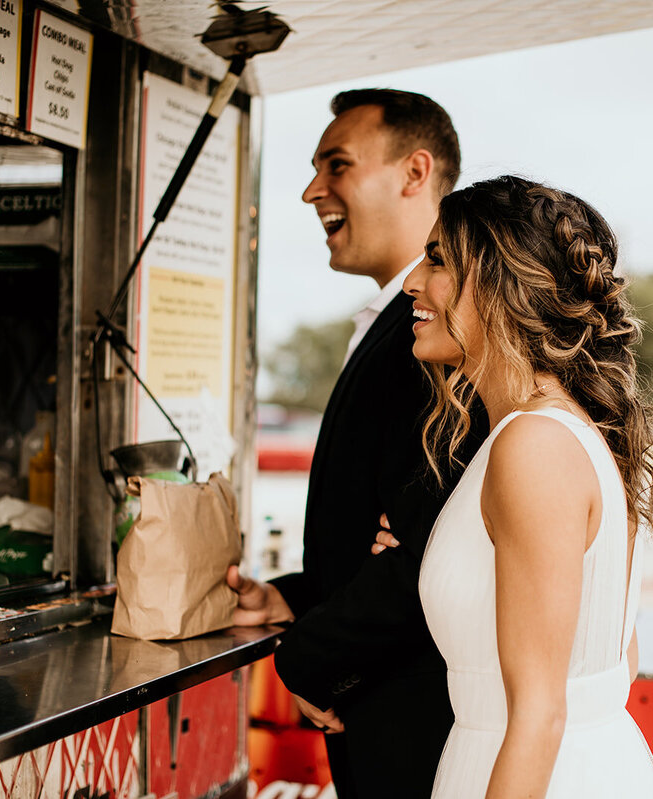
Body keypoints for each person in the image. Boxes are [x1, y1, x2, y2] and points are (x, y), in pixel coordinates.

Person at [225, 89, 485, 799]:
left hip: (413, 720)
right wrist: (292, 597)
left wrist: (308, 658)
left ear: (415, 172)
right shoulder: (392, 323)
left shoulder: (440, 340)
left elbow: (422, 553)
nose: (313, 190)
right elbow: (384, 522)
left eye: (336, 165)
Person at [396, 174, 653, 798]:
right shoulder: (562, 431)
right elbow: (614, 662)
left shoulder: (535, 447)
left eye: (437, 258)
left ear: (500, 285)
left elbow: (541, 713)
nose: (413, 281)